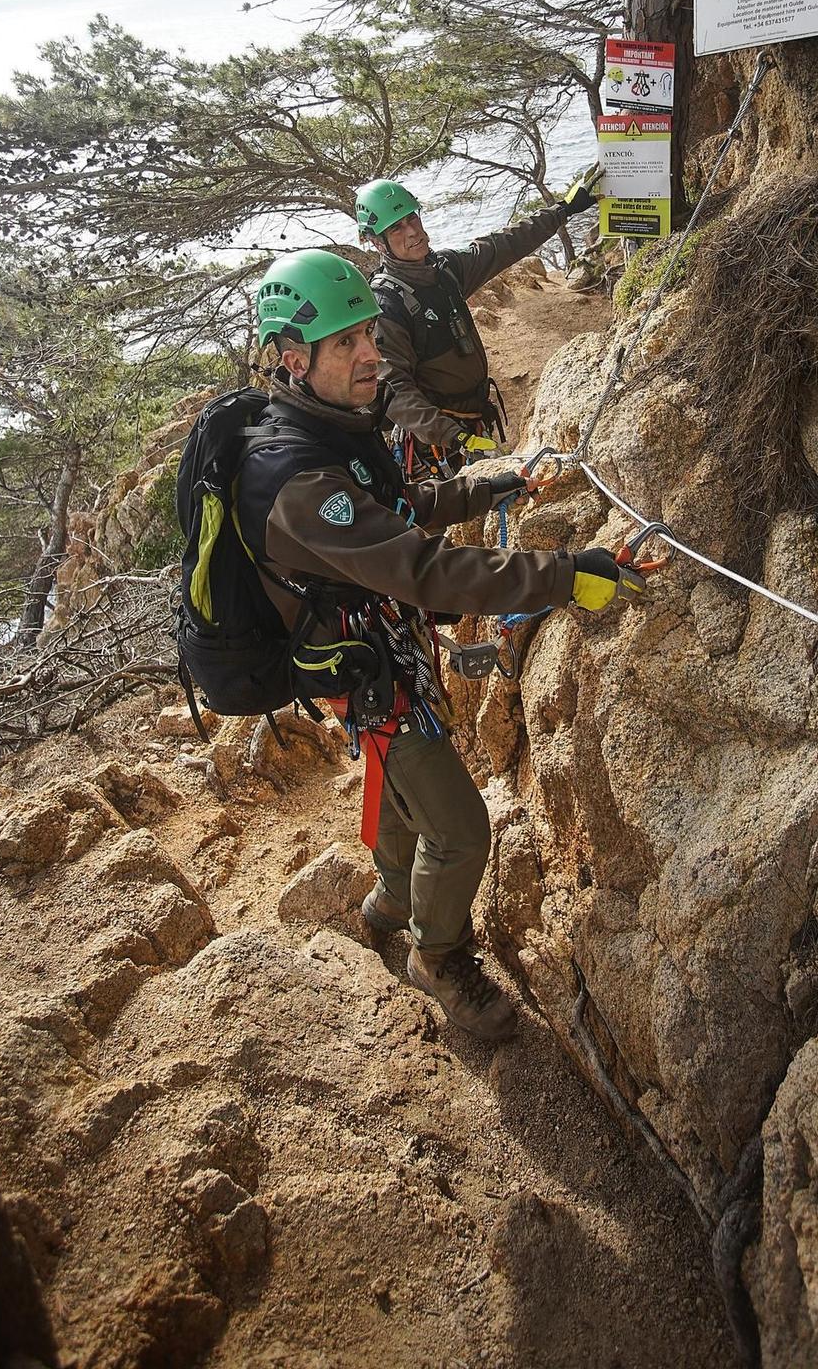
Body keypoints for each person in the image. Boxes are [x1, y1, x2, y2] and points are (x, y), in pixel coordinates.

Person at [238, 249, 642, 1045]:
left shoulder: (328, 424)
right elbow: (422, 569)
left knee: (395, 785)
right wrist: (565, 574)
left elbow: (394, 504)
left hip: (375, 646)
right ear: (293, 359)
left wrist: (487, 486)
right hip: (368, 670)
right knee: (459, 831)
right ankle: (439, 954)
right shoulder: (293, 479)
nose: (371, 354)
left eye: (367, 334)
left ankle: (388, 902)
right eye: (347, 344)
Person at [354, 174, 597, 471]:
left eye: (412, 219)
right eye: (396, 228)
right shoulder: (387, 306)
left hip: (473, 422)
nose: (413, 232)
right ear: (378, 244)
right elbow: (394, 389)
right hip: (435, 448)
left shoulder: (445, 271)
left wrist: (562, 210)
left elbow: (503, 245)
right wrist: (453, 437)